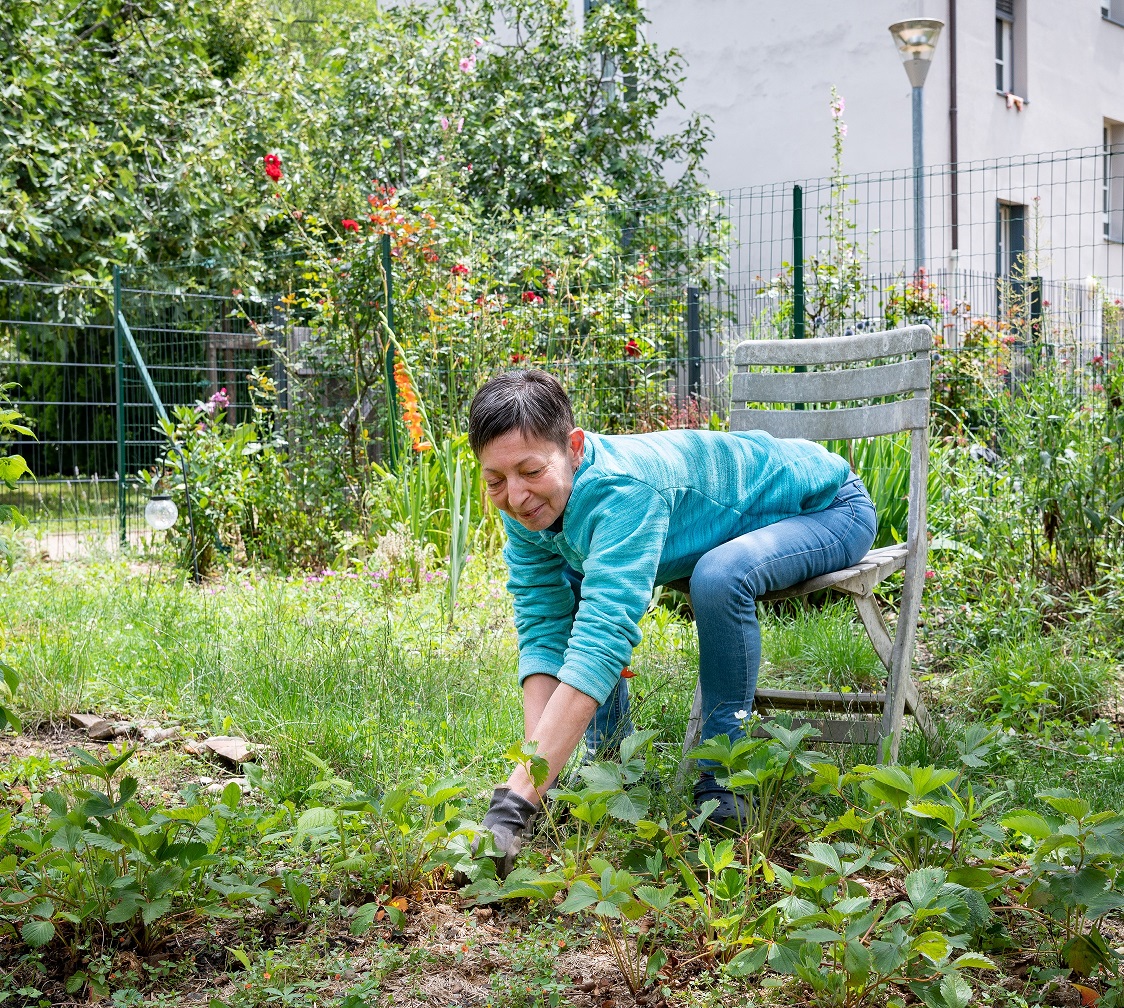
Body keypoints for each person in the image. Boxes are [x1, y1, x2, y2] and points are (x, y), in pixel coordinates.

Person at [467, 370, 877, 878]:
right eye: (494, 482)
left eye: (530, 472)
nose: (515, 495)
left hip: (828, 507)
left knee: (719, 577)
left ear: (573, 448)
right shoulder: (525, 505)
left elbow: (601, 639)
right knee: (576, 580)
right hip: (731, 526)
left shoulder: (622, 492)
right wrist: (534, 781)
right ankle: (612, 767)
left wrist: (513, 803)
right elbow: (543, 629)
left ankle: (724, 776)